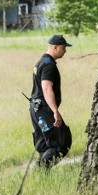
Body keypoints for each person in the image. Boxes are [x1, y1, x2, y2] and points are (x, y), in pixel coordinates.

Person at [28, 35, 73, 168]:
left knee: (44, 144)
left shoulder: (41, 62)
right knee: (61, 143)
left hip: (36, 108)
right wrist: (55, 111)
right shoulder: (49, 65)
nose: (65, 51)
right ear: (55, 47)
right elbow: (47, 88)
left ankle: (41, 174)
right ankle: (41, 170)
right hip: (44, 109)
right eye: (63, 48)